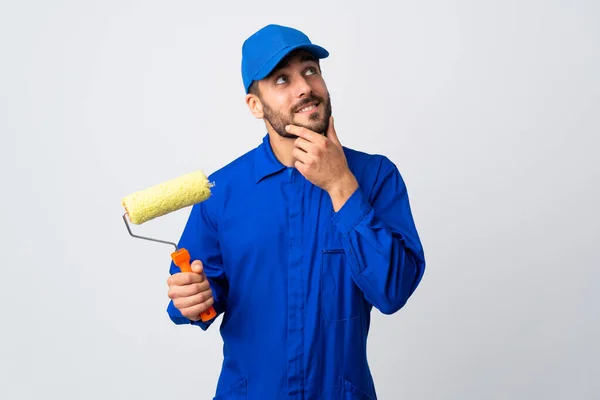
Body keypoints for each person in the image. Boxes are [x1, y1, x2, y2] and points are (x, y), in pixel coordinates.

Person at [165, 23, 426, 400]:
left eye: (310, 70)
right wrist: (191, 300)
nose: (305, 87)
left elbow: (393, 291)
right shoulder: (220, 192)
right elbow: (198, 295)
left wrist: (341, 185)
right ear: (256, 105)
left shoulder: (375, 177)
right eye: (282, 80)